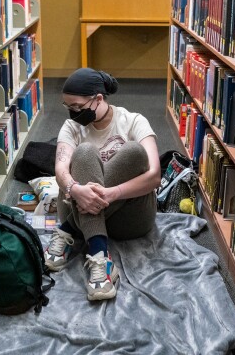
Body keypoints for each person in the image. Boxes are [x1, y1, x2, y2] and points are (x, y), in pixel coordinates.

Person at [44, 68, 161, 301]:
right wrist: (76, 189)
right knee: (85, 152)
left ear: (98, 99)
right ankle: (100, 256)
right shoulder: (72, 127)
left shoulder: (134, 121)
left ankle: (68, 230)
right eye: (68, 107)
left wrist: (111, 194)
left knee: (135, 152)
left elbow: (155, 176)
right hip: (78, 203)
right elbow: (60, 169)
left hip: (129, 216)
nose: (73, 112)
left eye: (78, 106)